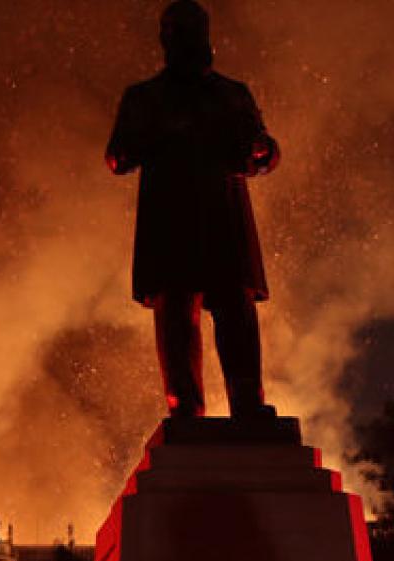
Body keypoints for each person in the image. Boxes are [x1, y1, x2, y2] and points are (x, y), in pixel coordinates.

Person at [106, 0, 280, 418]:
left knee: (235, 310)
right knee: (178, 315)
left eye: (193, 30)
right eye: (178, 31)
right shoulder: (144, 98)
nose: (187, 39)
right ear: (165, 39)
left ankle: (247, 404)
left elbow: (262, 148)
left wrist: (264, 151)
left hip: (222, 216)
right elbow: (118, 157)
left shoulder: (232, 94)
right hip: (172, 220)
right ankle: (185, 406)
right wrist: (161, 138)